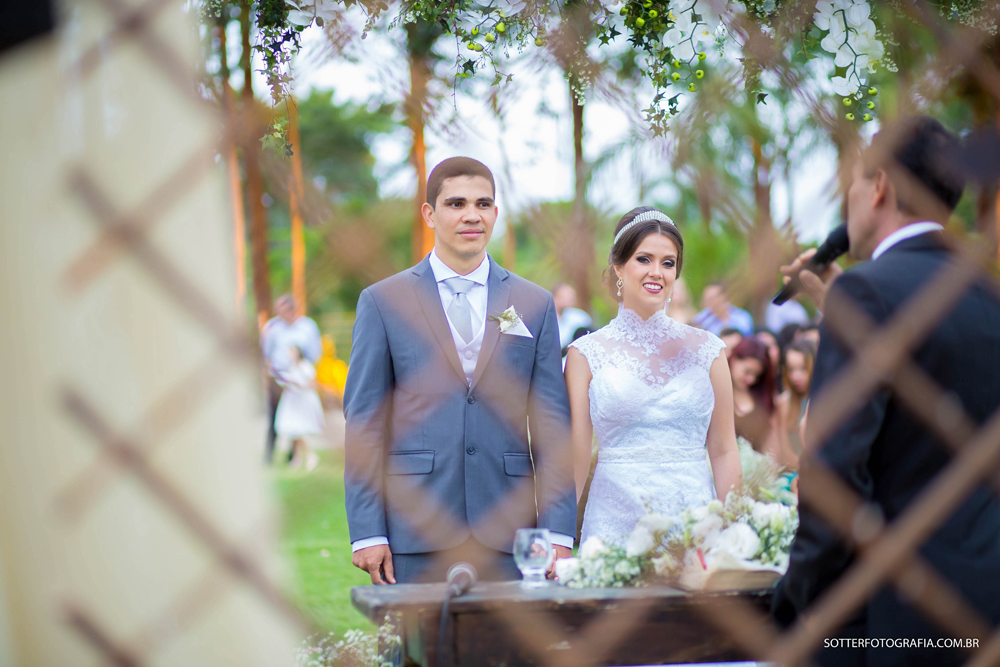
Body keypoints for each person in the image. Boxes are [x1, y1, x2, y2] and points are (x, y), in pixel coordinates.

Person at [772, 117, 1000, 667]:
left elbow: (836, 475)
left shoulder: (867, 291)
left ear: (879, 187)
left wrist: (793, 595)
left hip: (895, 612)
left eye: (850, 183)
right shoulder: (986, 293)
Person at [343, 157, 577, 585]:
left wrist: (560, 531)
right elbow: (364, 423)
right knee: (421, 651)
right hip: (413, 528)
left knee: (507, 653)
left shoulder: (534, 303)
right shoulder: (382, 301)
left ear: (496, 213)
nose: (472, 215)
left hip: (512, 531)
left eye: (483, 204)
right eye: (456, 204)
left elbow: (552, 426)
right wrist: (367, 532)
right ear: (430, 214)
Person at [565, 207, 743, 546]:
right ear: (618, 266)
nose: (657, 272)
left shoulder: (709, 351)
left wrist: (735, 528)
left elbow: (723, 450)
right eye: (643, 259)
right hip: (613, 528)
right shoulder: (584, 354)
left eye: (668, 262)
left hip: (695, 527)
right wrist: (556, 537)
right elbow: (576, 454)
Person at [262, 294, 322, 464]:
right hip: (278, 377)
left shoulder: (308, 327)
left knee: (295, 416)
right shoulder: (272, 327)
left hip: (299, 379)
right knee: (275, 417)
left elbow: (315, 353)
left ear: (290, 310)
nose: (277, 313)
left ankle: (293, 456)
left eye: (281, 310)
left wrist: (304, 374)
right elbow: (266, 352)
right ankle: (269, 455)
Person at [729, 338, 798, 471]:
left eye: (756, 375)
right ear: (734, 360)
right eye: (747, 372)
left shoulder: (763, 401)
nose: (751, 379)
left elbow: (771, 450)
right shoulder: (716, 391)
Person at [274, 345, 324, 471]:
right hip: (292, 401)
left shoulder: (306, 366)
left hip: (303, 401)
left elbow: (313, 384)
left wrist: (298, 384)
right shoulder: (291, 367)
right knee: (293, 428)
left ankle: (311, 455)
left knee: (298, 429)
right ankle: (296, 459)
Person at [774, 339, 815, 457]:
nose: (796, 376)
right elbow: (784, 450)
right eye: (791, 369)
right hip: (794, 470)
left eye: (803, 368)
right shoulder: (784, 402)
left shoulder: (824, 399)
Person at [553, 282, 592, 350]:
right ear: (554, 298)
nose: (568, 300)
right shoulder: (544, 320)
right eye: (564, 297)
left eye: (571, 297)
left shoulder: (581, 317)